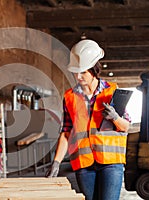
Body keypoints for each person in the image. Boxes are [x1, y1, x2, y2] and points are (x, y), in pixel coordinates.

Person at [46, 39, 131, 200]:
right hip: (83, 164)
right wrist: (56, 162)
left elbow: (125, 127)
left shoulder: (112, 91)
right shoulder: (69, 97)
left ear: (94, 69)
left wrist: (115, 117)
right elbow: (66, 132)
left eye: (83, 72)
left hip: (111, 163)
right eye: (75, 72)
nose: (78, 76)